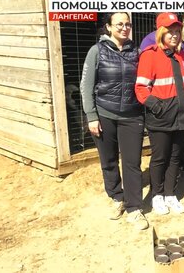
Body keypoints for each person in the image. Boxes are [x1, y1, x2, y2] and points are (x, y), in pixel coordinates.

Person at [80, 12, 148, 230]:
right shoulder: (96, 51)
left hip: (132, 116)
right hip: (104, 115)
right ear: (108, 27)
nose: (124, 28)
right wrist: (91, 116)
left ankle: (134, 208)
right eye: (119, 24)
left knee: (132, 163)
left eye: (128, 24)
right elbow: (86, 86)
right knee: (108, 161)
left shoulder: (137, 52)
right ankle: (117, 197)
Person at [135, 13, 184, 215]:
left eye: (177, 31)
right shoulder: (150, 54)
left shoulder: (183, 56)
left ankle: (170, 194)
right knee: (160, 158)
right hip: (161, 118)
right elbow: (141, 88)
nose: (175, 35)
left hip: (181, 116)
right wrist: (158, 108)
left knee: (176, 157)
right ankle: (157, 195)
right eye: (170, 31)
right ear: (161, 32)